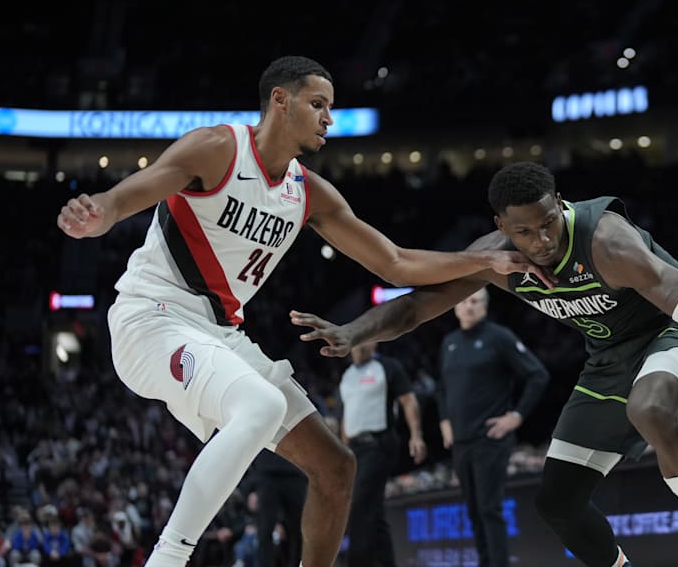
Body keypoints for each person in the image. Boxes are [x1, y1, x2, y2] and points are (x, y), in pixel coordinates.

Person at [55, 56, 548, 567]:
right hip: (151, 317)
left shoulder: (308, 193)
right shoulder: (218, 147)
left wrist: (483, 259)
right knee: (262, 406)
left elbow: (396, 263)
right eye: (318, 105)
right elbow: (134, 192)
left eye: (330, 108)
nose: (328, 119)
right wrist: (100, 214)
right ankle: (168, 559)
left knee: (335, 469)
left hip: (220, 333)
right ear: (280, 100)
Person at [291, 161, 678, 567]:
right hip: (608, 361)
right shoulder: (496, 258)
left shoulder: (608, 242)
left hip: (675, 336)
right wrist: (352, 331)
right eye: (525, 232)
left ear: (560, 204)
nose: (542, 240)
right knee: (558, 503)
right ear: (502, 225)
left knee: (650, 407)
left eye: (548, 224)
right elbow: (414, 305)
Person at [437, 287, 550, 567]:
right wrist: (444, 422)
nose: (469, 306)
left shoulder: (499, 337)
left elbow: (537, 375)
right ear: (455, 307)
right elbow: (442, 388)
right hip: (460, 441)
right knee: (474, 511)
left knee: (490, 509)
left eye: (475, 301)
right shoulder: (449, 343)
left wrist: (516, 416)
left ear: (485, 307)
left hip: (490, 438)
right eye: (463, 300)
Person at [339, 341, 426, 567]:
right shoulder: (347, 375)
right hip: (355, 448)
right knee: (373, 512)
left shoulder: (387, 367)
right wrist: (342, 449)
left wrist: (416, 436)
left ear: (374, 341)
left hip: (379, 444)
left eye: (362, 339)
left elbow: (409, 401)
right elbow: (347, 415)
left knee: (358, 508)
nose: (357, 346)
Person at [250, 450, 306, 567]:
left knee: (299, 531)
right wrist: (250, 488)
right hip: (267, 472)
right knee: (265, 530)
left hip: (296, 470)